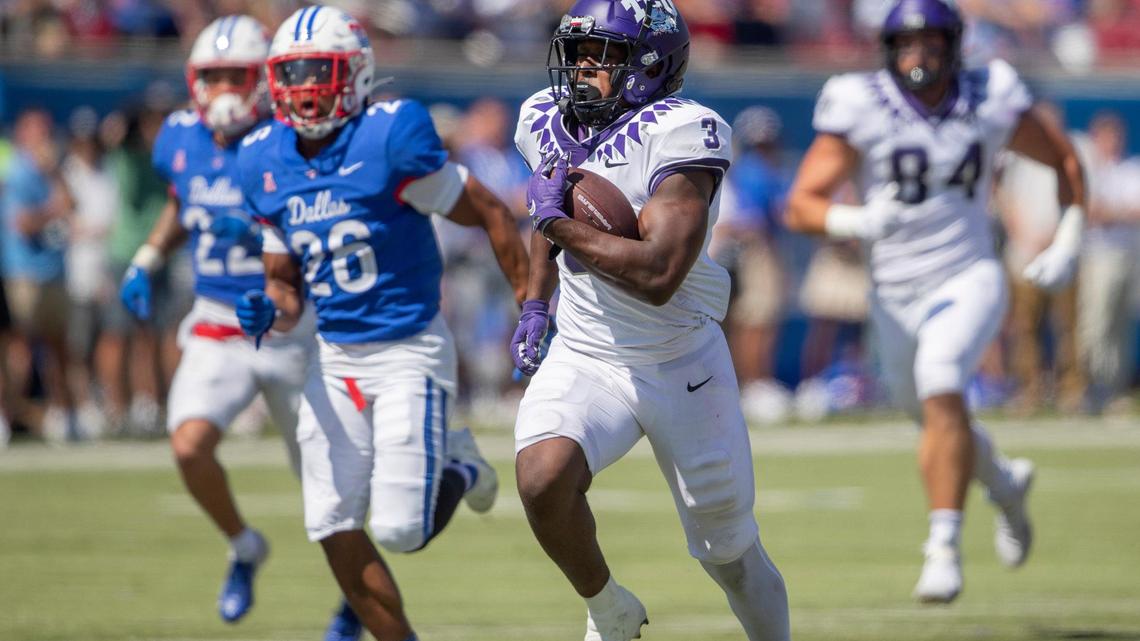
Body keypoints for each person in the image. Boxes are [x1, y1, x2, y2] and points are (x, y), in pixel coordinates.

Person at [233, 7, 529, 641]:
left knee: (401, 531)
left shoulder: (391, 138)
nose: (308, 86)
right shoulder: (262, 159)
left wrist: (531, 306)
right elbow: (285, 288)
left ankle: (462, 463)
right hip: (334, 355)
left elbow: (493, 215)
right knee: (331, 521)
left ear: (358, 74)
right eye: (294, 72)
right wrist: (271, 308)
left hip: (407, 350)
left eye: (322, 70)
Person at [784, 0, 1086, 603]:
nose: (918, 56)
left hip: (968, 274)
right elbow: (802, 205)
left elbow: (1064, 159)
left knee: (941, 377)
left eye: (930, 43)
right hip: (893, 294)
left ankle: (942, 546)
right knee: (936, 418)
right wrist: (859, 217)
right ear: (888, 50)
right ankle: (1003, 483)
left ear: (954, 45)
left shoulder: (990, 92)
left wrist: (1072, 233)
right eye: (906, 44)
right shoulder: (860, 102)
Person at [510, 2, 791, 640]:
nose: (581, 69)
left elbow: (658, 274)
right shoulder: (543, 118)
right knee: (541, 477)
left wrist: (556, 224)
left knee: (730, 556)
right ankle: (609, 607)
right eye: (576, 53)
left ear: (648, 65)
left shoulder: (685, 134)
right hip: (587, 353)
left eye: (600, 54)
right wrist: (535, 301)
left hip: (681, 361)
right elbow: (547, 217)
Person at [116, 16, 359, 640]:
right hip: (218, 323)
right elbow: (181, 199)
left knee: (328, 489)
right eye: (213, 76)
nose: (224, 87)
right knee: (188, 444)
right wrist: (148, 256)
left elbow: (322, 225)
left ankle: (355, 598)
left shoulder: (289, 139)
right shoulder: (178, 137)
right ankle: (244, 545)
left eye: (236, 75)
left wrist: (253, 233)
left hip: (290, 331)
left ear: (263, 81)